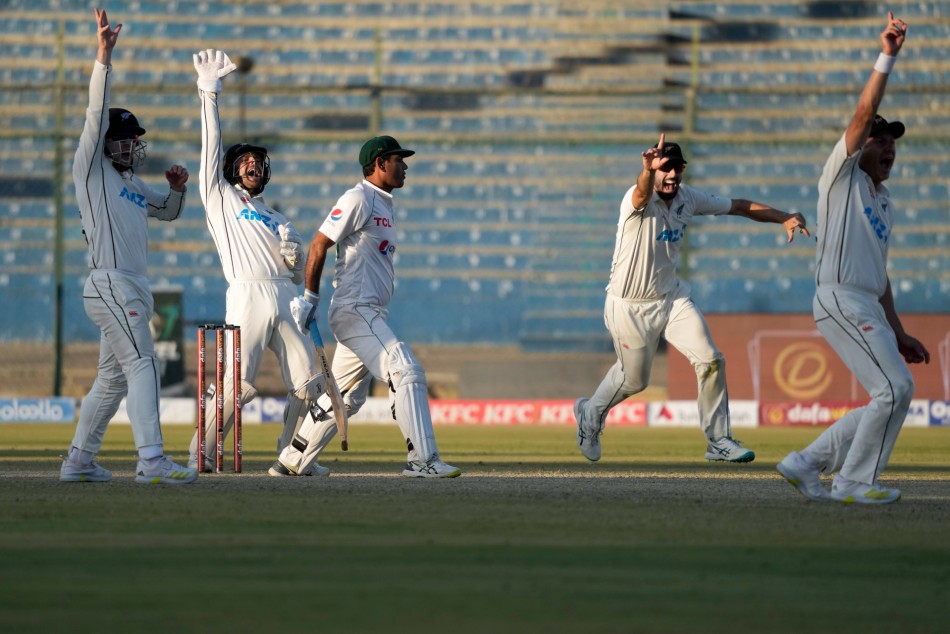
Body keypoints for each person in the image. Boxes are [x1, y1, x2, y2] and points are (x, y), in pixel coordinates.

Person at [574, 134, 810, 465]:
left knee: (711, 359)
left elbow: (739, 206)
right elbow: (642, 190)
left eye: (677, 167)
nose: (672, 174)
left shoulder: (688, 198)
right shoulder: (636, 198)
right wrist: (645, 171)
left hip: (671, 299)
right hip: (627, 305)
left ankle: (718, 441)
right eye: (665, 168)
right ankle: (589, 415)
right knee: (634, 381)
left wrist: (784, 216)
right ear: (654, 170)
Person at [777, 13, 929, 505]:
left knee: (888, 395)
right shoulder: (841, 177)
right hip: (839, 298)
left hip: (865, 302)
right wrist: (888, 55)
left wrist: (900, 330)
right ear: (857, 147)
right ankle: (853, 484)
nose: (886, 146)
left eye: (891, 141)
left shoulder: (884, 201)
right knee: (895, 389)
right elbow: (863, 114)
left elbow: (881, 277)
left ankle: (806, 463)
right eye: (878, 138)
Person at [61, 8, 196, 485]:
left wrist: (178, 189)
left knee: (114, 377)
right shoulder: (90, 168)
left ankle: (79, 461)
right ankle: (152, 461)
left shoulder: (133, 185)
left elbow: (169, 212)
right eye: (128, 139)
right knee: (143, 363)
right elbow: (96, 115)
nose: (134, 146)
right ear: (108, 144)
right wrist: (104, 56)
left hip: (130, 287)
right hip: (110, 283)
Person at [278, 135, 461, 478]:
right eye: (398, 160)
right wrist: (309, 298)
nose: (404, 166)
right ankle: (423, 460)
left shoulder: (384, 203)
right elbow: (319, 243)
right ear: (379, 164)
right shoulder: (358, 197)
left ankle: (293, 458)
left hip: (370, 311)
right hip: (355, 309)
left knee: (345, 396)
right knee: (405, 369)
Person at [188, 49, 335, 477]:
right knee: (239, 384)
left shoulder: (277, 216)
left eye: (257, 161)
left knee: (311, 386)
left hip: (283, 295)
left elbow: (295, 269)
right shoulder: (221, 197)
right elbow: (211, 149)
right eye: (244, 161)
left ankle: (293, 455)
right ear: (234, 170)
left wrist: (293, 261)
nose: (251, 164)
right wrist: (209, 90)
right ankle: (202, 453)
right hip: (247, 294)